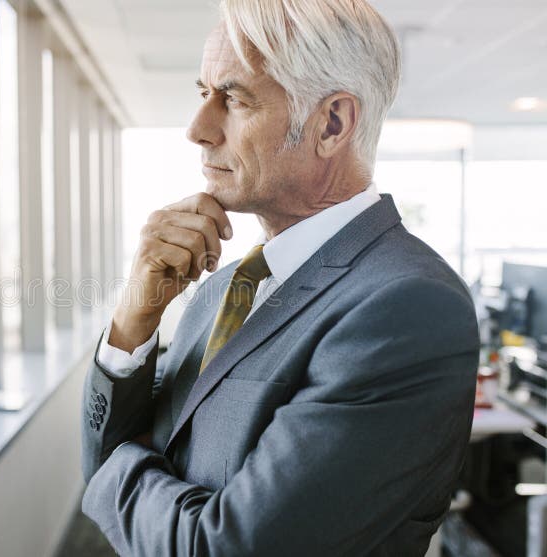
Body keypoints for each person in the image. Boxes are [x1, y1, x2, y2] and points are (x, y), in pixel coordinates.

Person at [80, 0, 480, 555]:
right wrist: (134, 320)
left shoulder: (407, 306)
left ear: (332, 124)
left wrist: (115, 468)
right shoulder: (223, 287)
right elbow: (127, 456)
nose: (198, 129)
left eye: (235, 99)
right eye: (203, 94)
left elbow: (228, 547)